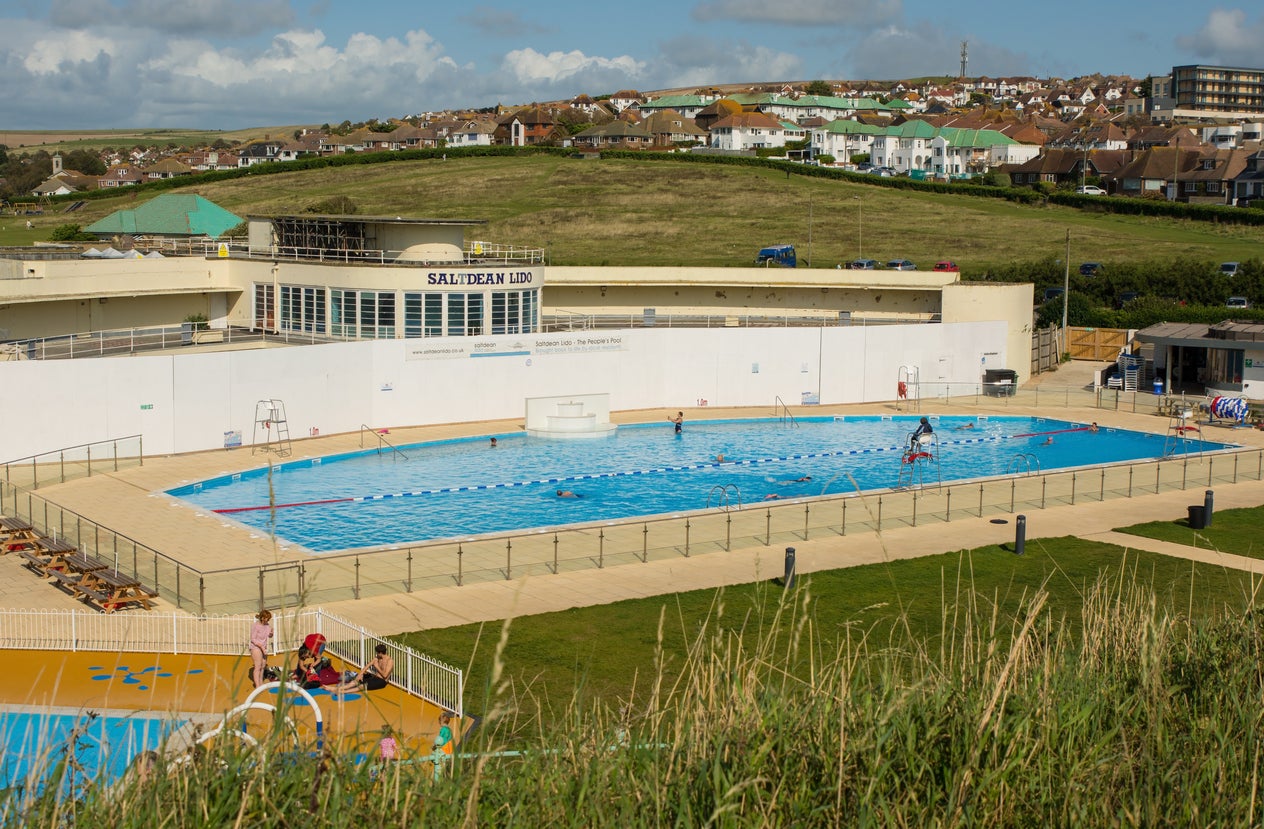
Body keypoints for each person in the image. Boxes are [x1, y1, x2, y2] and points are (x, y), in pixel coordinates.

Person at [249, 609, 273, 688]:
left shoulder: (267, 625)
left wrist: (271, 634)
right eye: (267, 618)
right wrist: (261, 647)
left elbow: (269, 635)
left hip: (263, 647)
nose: (268, 620)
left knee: (263, 665)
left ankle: (261, 682)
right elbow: (253, 639)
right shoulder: (256, 626)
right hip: (256, 647)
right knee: (258, 666)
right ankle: (257, 685)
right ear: (262, 618)